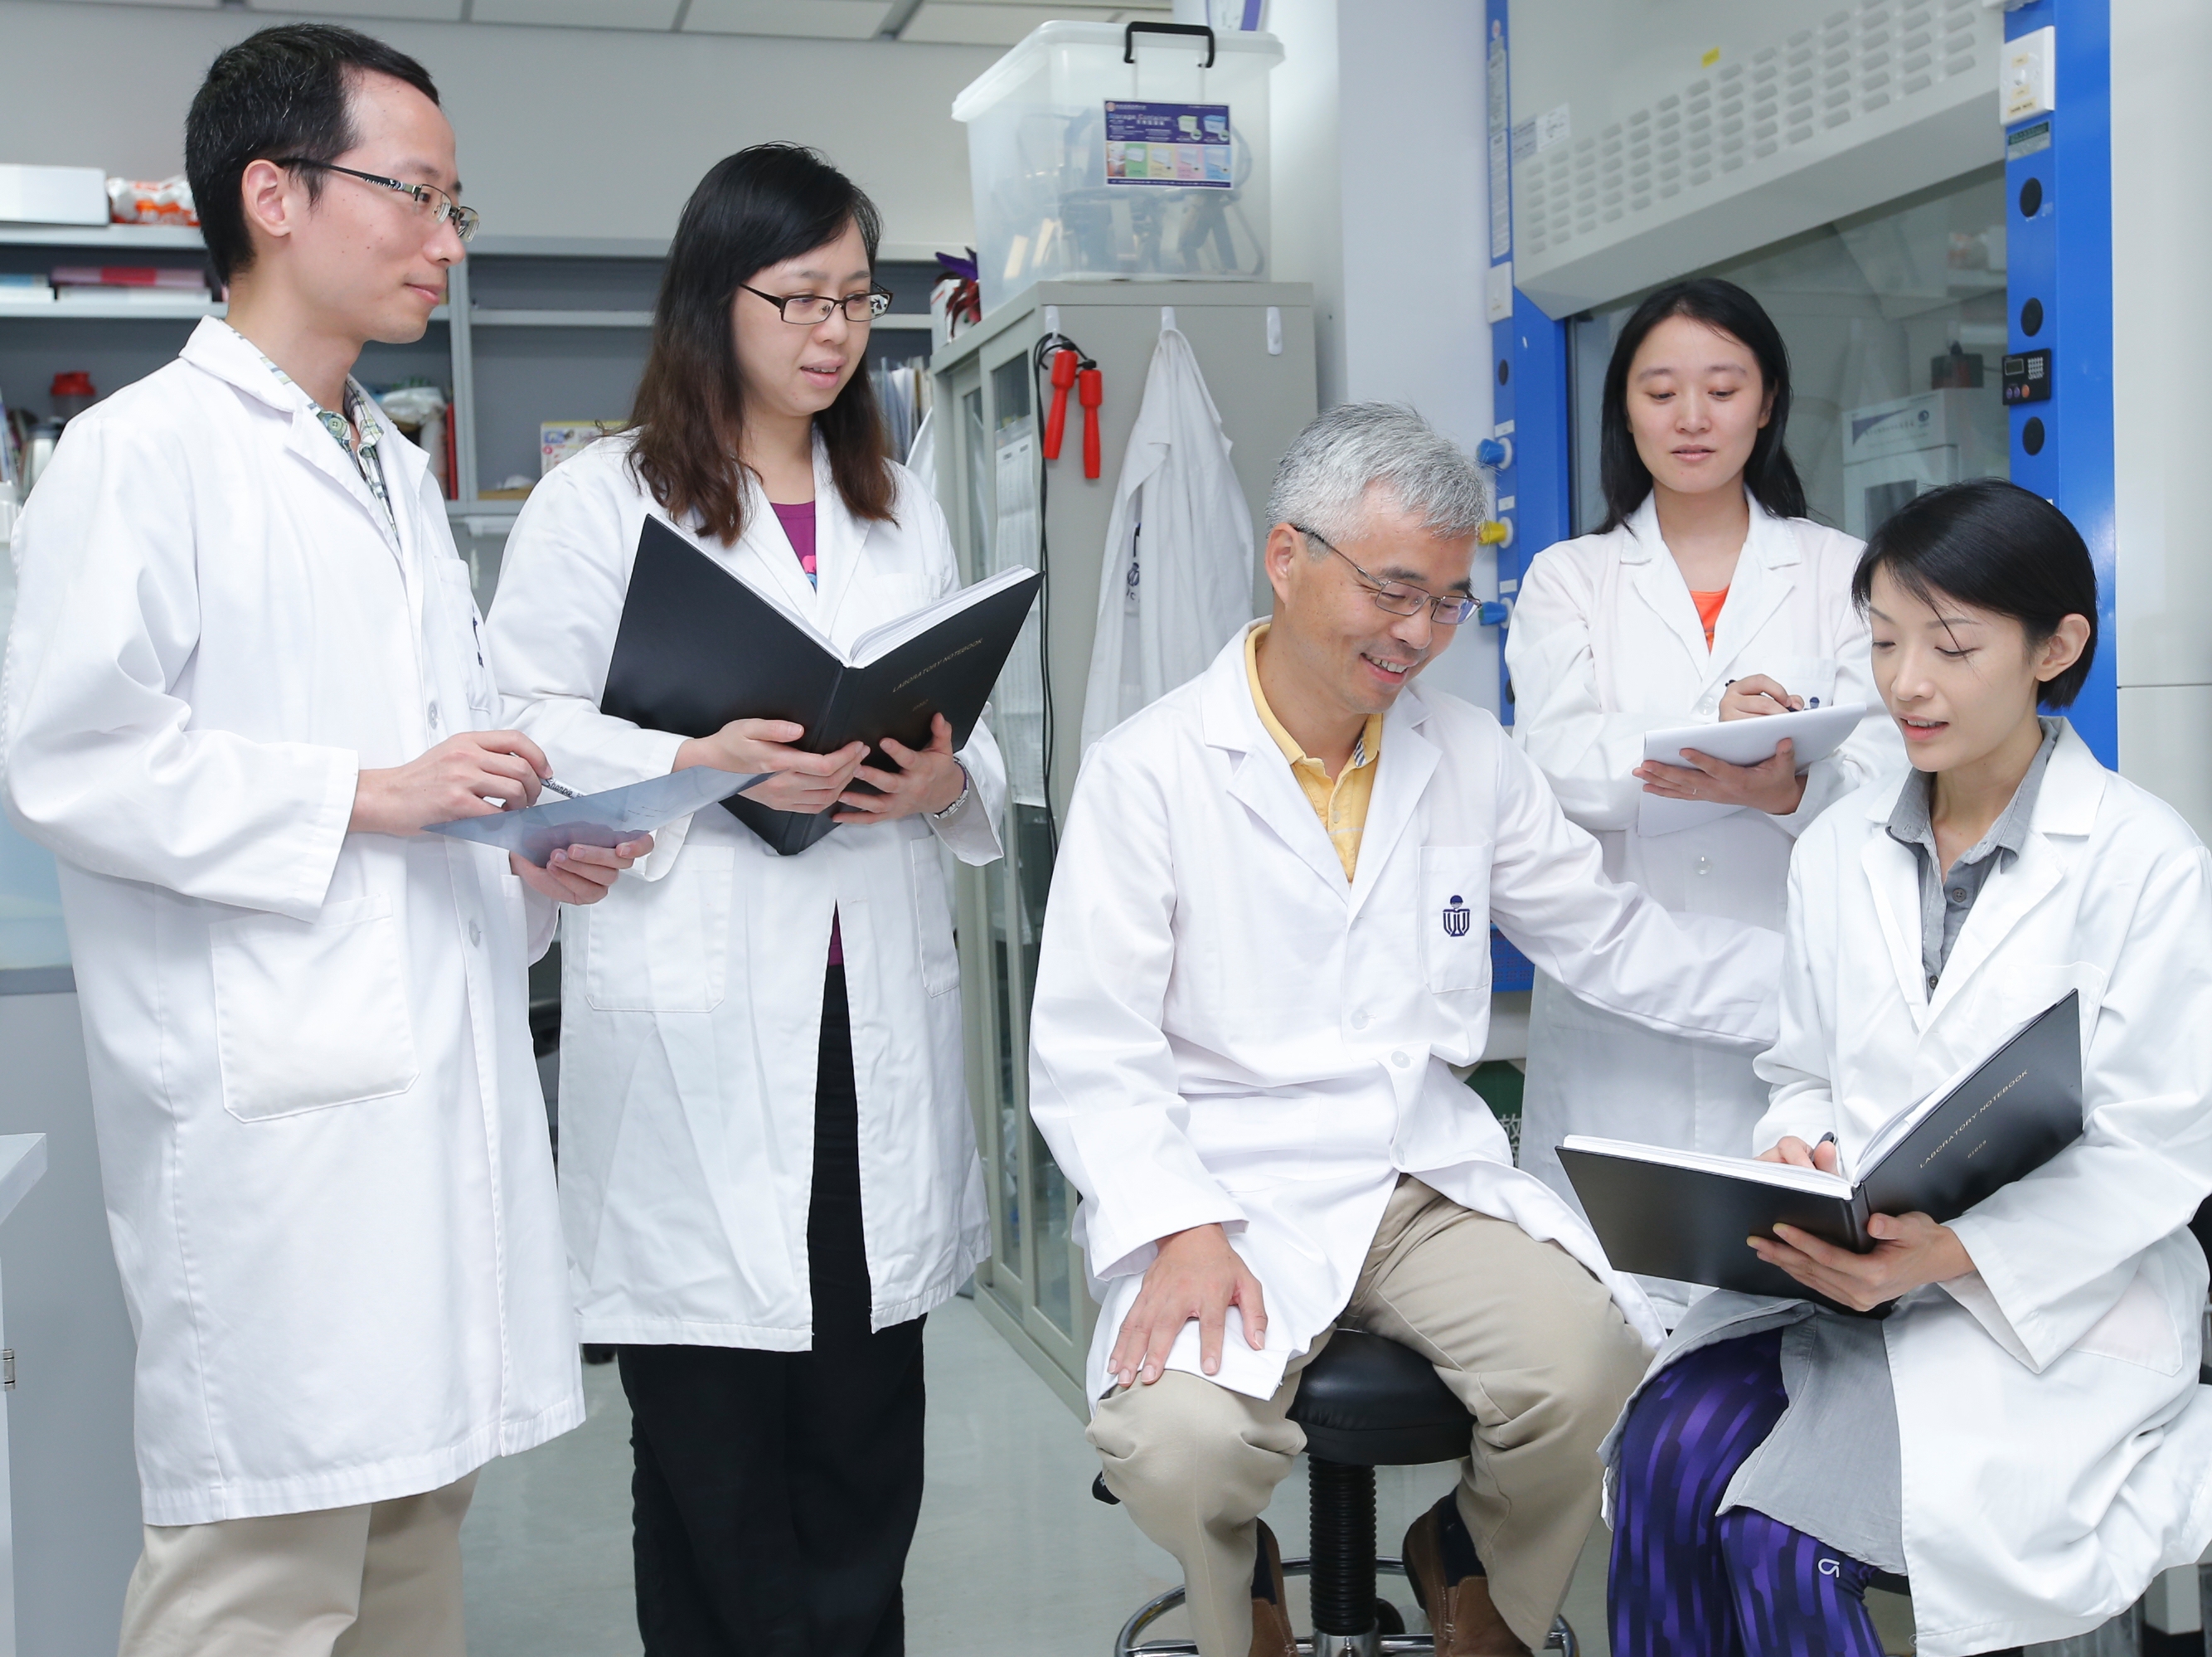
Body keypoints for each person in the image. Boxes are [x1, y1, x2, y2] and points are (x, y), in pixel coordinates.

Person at [1, 25, 648, 1655]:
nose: (446, 238)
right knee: (256, 1597)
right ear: (273, 195)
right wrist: (368, 792)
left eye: (456, 207)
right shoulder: (140, 458)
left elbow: (445, 774)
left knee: (409, 1560)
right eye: (413, 196)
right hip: (279, 1135)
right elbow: (74, 762)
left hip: (425, 1102)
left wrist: (526, 852)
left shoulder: (394, 474)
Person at [1028, 404, 1783, 1657]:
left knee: (1591, 1369)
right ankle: (1246, 1596)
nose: (1419, 633)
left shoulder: (1467, 756)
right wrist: (1177, 1225)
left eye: (1445, 601)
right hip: (1217, 1178)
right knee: (1180, 1446)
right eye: (1391, 591)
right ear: (1287, 557)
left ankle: (1466, 1555)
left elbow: (1612, 937)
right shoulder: (1149, 770)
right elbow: (1093, 1045)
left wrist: (1836, 998)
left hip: (1411, 1170)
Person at [484, 144, 1006, 1657]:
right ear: (717, 300)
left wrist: (940, 784)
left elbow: (966, 734)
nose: (834, 332)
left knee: (861, 1425)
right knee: (708, 1447)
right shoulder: (599, 502)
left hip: (867, 1011)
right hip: (695, 1010)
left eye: (856, 299)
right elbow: (520, 719)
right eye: (800, 298)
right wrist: (690, 756)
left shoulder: (900, 498)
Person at [1605, 479, 2212, 1657]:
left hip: (2046, 1306)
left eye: (1952, 645)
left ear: (2058, 646)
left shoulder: (2147, 862)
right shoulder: (1840, 843)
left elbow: (2159, 1144)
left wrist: (1958, 1254)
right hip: (1848, 1274)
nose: (1907, 683)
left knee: (1781, 1538)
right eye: (1883, 641)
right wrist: (1802, 1146)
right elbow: (1801, 1067)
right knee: (1663, 1454)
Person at [1505, 279, 1899, 1322]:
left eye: (1721, 388)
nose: (1691, 417)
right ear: (1623, 408)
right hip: (1613, 1015)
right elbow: (1553, 762)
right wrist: (1711, 725)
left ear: (1765, 402)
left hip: (1785, 1008)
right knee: (1596, 1329)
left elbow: (1890, 776)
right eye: (1661, 389)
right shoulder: (1569, 579)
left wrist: (1789, 790)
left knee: (1773, 1328)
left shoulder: (1842, 573)